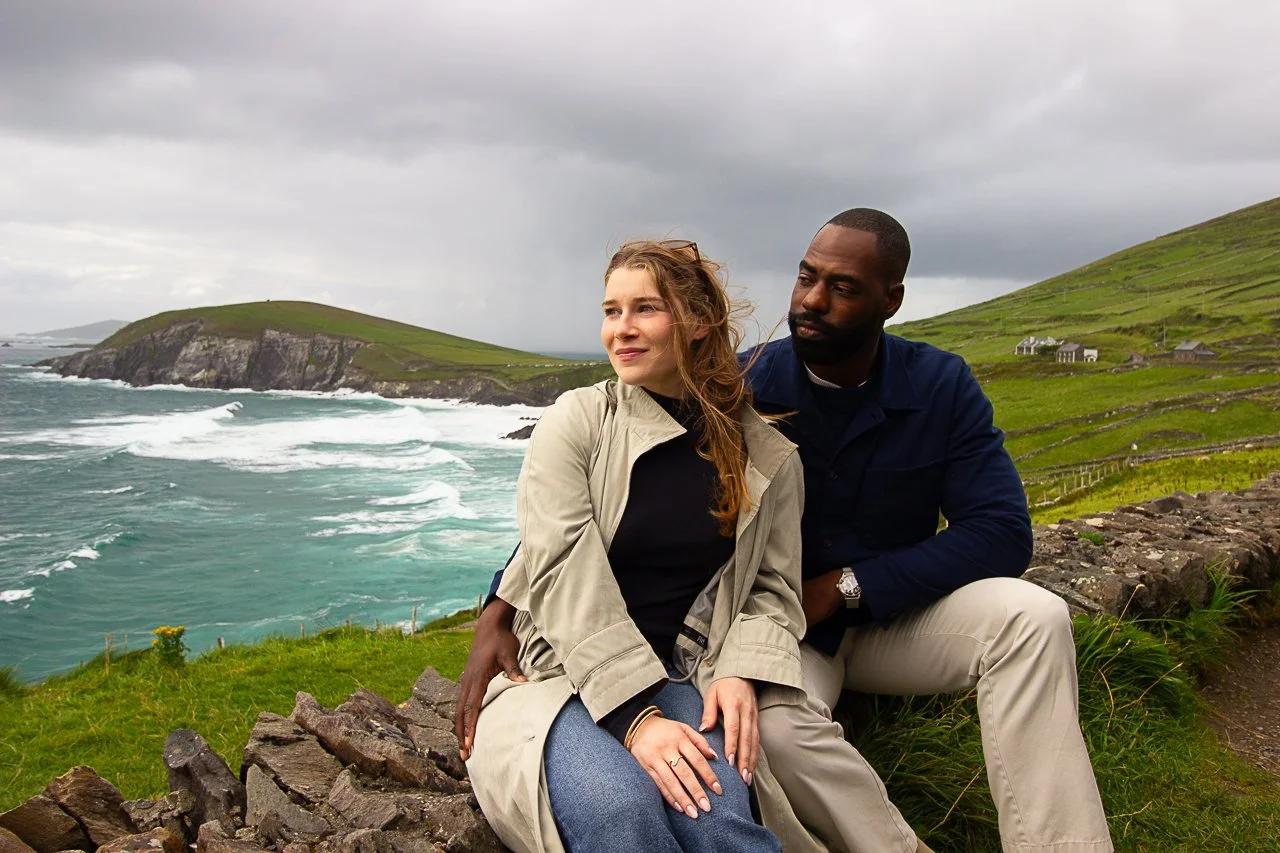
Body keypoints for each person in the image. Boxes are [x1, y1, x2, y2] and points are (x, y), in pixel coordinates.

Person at [459, 210, 1114, 853]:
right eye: (806, 277)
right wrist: (501, 599)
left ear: (892, 299)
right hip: (789, 637)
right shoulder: (744, 384)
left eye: (842, 287)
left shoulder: (936, 386)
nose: (812, 299)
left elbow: (1002, 531)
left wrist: (849, 585)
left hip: (889, 616)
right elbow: (587, 509)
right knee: (764, 740)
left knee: (1036, 617)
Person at [464, 240, 824, 853]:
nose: (621, 330)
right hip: (559, 677)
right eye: (611, 311)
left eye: (645, 309)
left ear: (699, 323)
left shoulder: (765, 454)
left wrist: (741, 666)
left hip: (684, 671)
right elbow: (560, 568)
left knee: (721, 820)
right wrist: (636, 722)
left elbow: (772, 584)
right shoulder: (575, 421)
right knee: (620, 815)